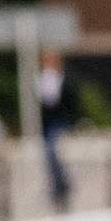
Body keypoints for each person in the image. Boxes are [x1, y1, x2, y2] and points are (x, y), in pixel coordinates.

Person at [36, 47, 71, 210]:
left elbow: (66, 101)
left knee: (53, 153)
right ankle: (59, 184)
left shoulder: (62, 79)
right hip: (46, 123)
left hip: (57, 122)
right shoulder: (40, 79)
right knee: (49, 156)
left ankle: (61, 185)